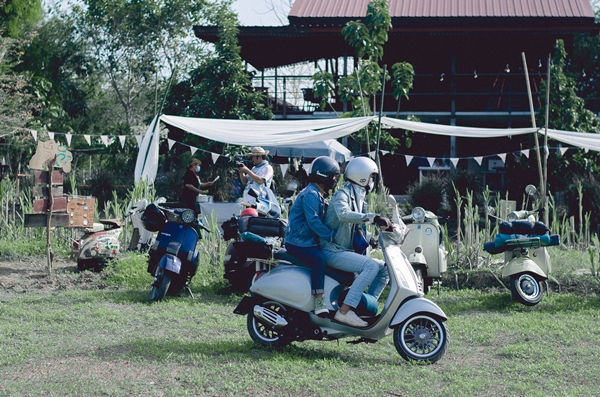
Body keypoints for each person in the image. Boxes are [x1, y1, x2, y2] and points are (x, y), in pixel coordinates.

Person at [321, 156, 390, 327]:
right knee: (371, 266)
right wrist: (372, 218)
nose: (372, 181)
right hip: (332, 250)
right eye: (371, 176)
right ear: (362, 176)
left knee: (384, 269)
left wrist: (371, 239)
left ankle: (364, 306)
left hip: (343, 250)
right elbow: (343, 214)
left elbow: (354, 229)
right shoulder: (342, 194)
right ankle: (344, 311)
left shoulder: (358, 197)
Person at [285, 157, 340, 316]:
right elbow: (313, 221)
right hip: (298, 242)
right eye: (334, 177)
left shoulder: (318, 193)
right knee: (319, 258)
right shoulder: (311, 193)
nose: (335, 180)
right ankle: (319, 301)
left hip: (306, 240)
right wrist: (331, 235)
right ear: (325, 176)